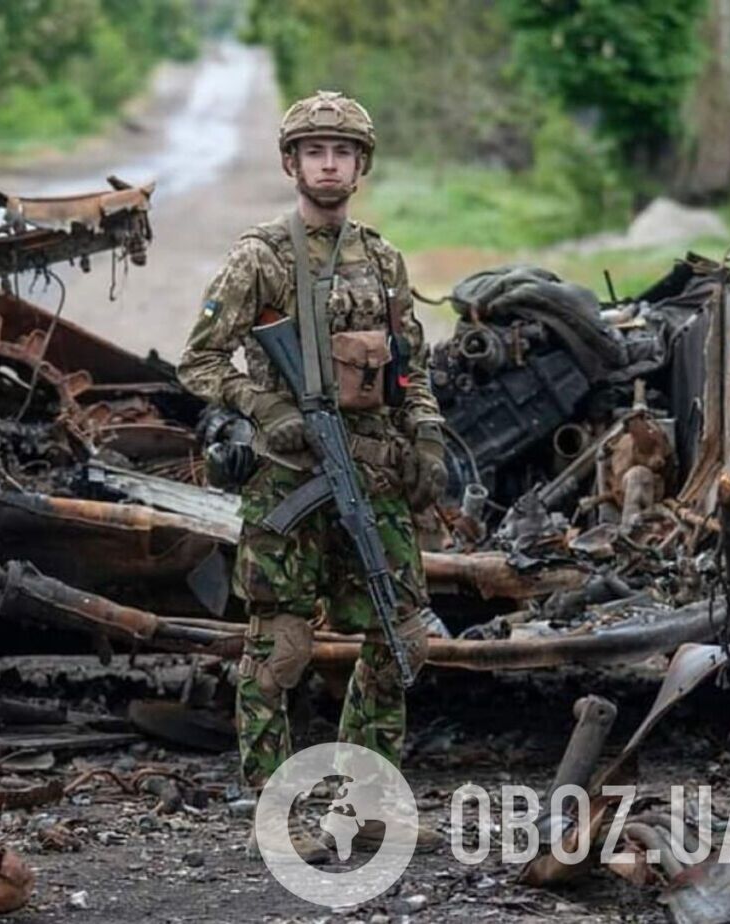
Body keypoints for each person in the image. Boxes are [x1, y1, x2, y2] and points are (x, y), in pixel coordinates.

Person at [177, 91, 446, 859]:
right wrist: (265, 406)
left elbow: (410, 367)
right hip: (289, 477)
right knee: (281, 648)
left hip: (374, 474)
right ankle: (275, 814)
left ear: (361, 166)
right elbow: (199, 361)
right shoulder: (260, 255)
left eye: (342, 152)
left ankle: (367, 806)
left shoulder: (384, 260)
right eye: (314, 152)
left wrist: (426, 435)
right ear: (291, 164)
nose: (329, 165)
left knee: (402, 638)